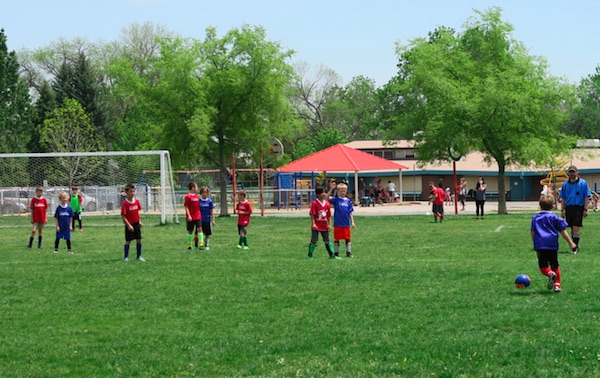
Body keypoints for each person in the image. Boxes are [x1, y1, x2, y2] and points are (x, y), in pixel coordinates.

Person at [531, 194, 577, 293]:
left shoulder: (535, 218)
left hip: (540, 244)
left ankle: (550, 274)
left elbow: (533, 231)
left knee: (543, 267)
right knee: (555, 265)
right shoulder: (555, 218)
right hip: (552, 244)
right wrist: (571, 243)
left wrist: (534, 242)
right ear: (553, 206)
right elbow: (563, 231)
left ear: (540, 206)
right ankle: (557, 285)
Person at [559, 165, 591, 254]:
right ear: (568, 173)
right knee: (572, 228)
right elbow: (563, 198)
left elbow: (586, 196)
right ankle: (575, 246)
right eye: (570, 172)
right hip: (569, 208)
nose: (572, 174)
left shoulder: (583, 183)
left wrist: (585, 209)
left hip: (578, 208)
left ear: (577, 172)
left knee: (576, 228)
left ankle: (575, 248)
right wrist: (562, 210)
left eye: (573, 172)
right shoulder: (565, 184)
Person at [308, 186, 339, 260]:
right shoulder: (314, 203)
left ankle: (332, 255)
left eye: (325, 192)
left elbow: (328, 216)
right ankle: (310, 255)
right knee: (314, 240)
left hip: (324, 225)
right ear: (318, 194)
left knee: (327, 240)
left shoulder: (327, 204)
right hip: (317, 225)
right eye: (322, 192)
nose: (324, 194)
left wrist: (329, 224)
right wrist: (313, 223)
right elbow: (312, 214)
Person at [327, 181, 356, 258]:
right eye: (341, 191)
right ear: (338, 191)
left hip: (346, 223)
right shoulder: (336, 199)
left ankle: (348, 252)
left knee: (347, 238)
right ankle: (336, 253)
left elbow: (350, 212)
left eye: (344, 191)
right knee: (337, 238)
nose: (343, 193)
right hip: (338, 223)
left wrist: (352, 222)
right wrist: (331, 189)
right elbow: (326, 198)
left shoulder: (348, 201)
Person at [121, 183, 145, 262]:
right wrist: (128, 225)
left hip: (136, 223)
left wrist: (140, 221)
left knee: (139, 239)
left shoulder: (136, 201)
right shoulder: (125, 203)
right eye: (131, 191)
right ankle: (126, 257)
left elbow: (137, 212)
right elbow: (123, 215)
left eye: (134, 191)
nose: (133, 193)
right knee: (128, 241)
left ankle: (139, 256)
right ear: (127, 192)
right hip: (129, 225)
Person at [184, 182, 201, 250]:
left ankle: (201, 244)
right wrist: (189, 215)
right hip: (191, 217)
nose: (197, 188)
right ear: (193, 188)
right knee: (190, 231)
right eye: (196, 187)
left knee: (200, 229)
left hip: (198, 216)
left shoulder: (197, 196)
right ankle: (189, 245)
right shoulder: (188, 196)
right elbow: (186, 206)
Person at [199, 186, 215, 250]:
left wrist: (213, 220)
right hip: (200, 219)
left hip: (207, 219)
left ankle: (207, 244)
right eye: (203, 192)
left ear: (207, 193)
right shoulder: (199, 201)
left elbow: (211, 211)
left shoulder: (209, 201)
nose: (204, 194)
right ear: (201, 193)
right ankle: (201, 243)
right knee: (201, 232)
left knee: (208, 233)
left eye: (206, 192)